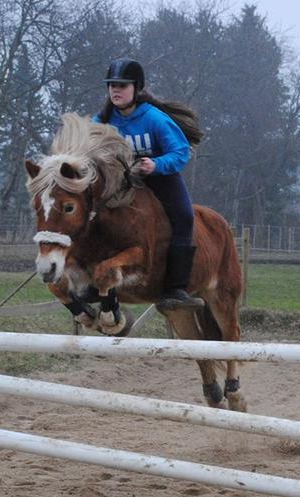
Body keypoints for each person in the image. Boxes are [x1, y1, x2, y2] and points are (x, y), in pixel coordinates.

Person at [94, 58, 205, 310]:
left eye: (122, 85)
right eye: (112, 85)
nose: (115, 90)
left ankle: (176, 288)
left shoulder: (155, 118)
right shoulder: (101, 120)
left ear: (137, 88)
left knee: (185, 216)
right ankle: (90, 274)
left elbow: (180, 152)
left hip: (159, 179)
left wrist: (156, 165)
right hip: (120, 182)